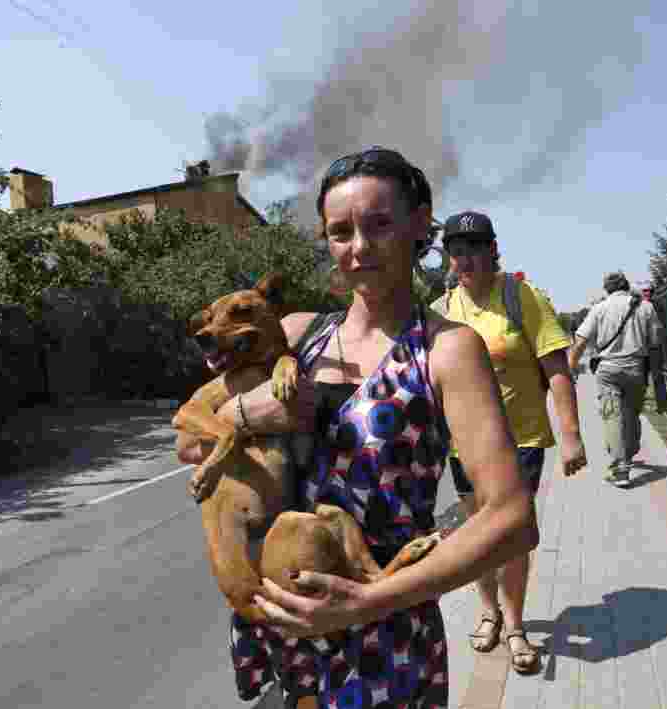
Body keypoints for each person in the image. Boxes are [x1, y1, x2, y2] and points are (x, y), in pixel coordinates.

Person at [175, 146, 539, 708]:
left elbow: (512, 520)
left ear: (420, 225)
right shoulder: (298, 334)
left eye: (379, 224)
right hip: (285, 638)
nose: (359, 247)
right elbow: (186, 441)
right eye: (340, 232)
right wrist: (249, 415)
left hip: (383, 641)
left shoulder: (445, 350)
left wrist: (368, 603)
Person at [431, 210, 586, 674]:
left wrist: (572, 435)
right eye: (456, 250)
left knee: (513, 539)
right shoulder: (441, 310)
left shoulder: (522, 298)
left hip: (522, 441)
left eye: (475, 248)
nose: (466, 258)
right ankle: (488, 612)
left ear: (493, 250)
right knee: (479, 536)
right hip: (465, 447)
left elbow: (556, 367)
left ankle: (516, 626)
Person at [568, 272, 663, 488]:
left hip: (608, 370)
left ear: (606, 289)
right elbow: (656, 339)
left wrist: (571, 367)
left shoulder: (599, 308)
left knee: (612, 416)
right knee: (631, 413)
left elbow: (580, 340)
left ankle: (621, 469)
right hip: (636, 368)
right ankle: (630, 449)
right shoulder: (645, 307)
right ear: (627, 286)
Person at [641, 285, 667, 414]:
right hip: (641, 347)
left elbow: (663, 326)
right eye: (644, 291)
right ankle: (639, 404)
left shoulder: (658, 306)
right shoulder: (636, 307)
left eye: (649, 290)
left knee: (658, 377)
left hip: (654, 347)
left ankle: (663, 407)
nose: (647, 293)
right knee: (640, 378)